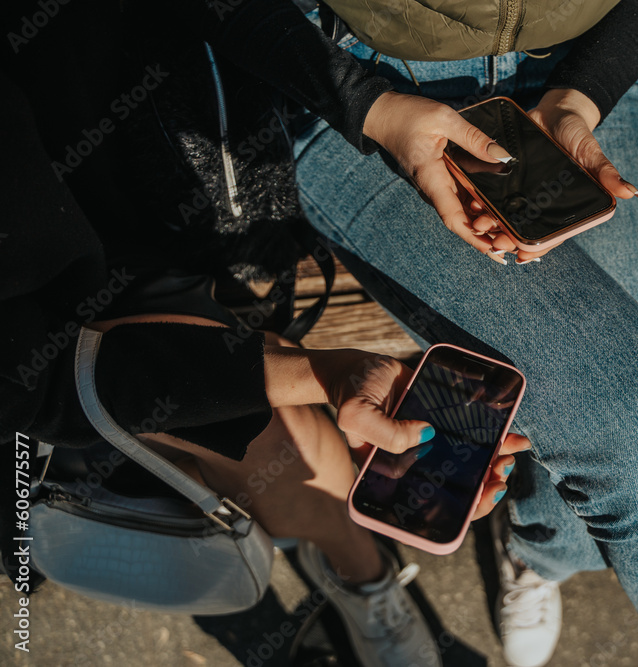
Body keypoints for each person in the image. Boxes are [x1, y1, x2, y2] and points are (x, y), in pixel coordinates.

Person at [154, 0, 638, 665]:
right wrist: (370, 107)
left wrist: (580, 99)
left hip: (585, 67)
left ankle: (539, 552)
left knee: (592, 474)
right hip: (344, 84)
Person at [0, 4, 525, 666]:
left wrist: (367, 106)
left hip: (220, 207)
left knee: (284, 435)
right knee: (281, 438)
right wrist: (319, 375)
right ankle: (364, 575)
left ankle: (354, 564)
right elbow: (36, 377)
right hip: (87, 289)